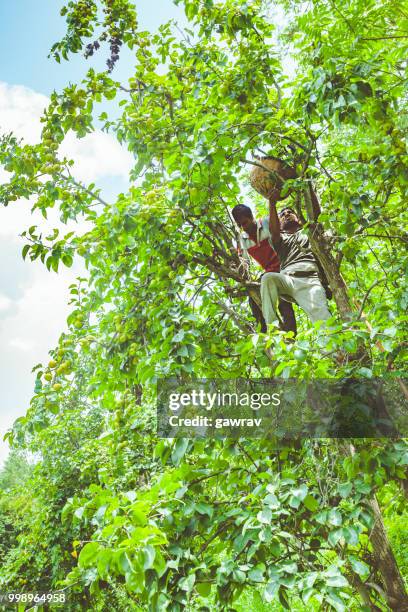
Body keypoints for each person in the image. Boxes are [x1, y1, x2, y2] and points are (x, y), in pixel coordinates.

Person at [262, 191, 332, 328]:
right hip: (287, 279)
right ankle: (272, 329)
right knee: (268, 278)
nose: (286, 215)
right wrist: (272, 203)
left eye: (290, 212)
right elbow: (274, 231)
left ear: (299, 218)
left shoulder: (310, 231)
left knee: (324, 321)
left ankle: (336, 348)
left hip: (310, 280)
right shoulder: (280, 239)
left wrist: (308, 186)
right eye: (282, 215)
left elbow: (317, 216)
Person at [231, 203, 297, 334]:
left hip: (286, 265)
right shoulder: (242, 239)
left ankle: (291, 335)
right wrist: (234, 263)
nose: (243, 228)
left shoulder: (267, 222)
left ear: (251, 217)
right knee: (253, 296)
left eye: (245, 223)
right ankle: (265, 332)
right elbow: (244, 265)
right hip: (269, 272)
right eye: (240, 225)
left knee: (284, 303)